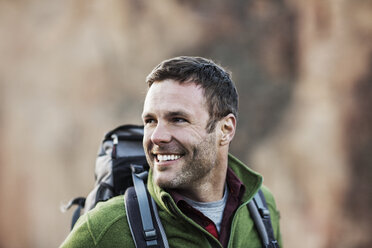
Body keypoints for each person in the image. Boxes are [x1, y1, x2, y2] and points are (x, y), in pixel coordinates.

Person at [60, 56, 282, 248]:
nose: (157, 136)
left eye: (178, 119)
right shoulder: (105, 228)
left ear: (225, 129)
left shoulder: (261, 208)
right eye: (150, 121)